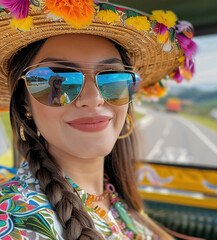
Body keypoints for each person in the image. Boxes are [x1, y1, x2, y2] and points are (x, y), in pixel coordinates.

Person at [0, 0, 196, 239]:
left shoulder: (115, 197)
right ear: (24, 104)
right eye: (57, 82)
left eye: (113, 79)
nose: (93, 99)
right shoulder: (13, 219)